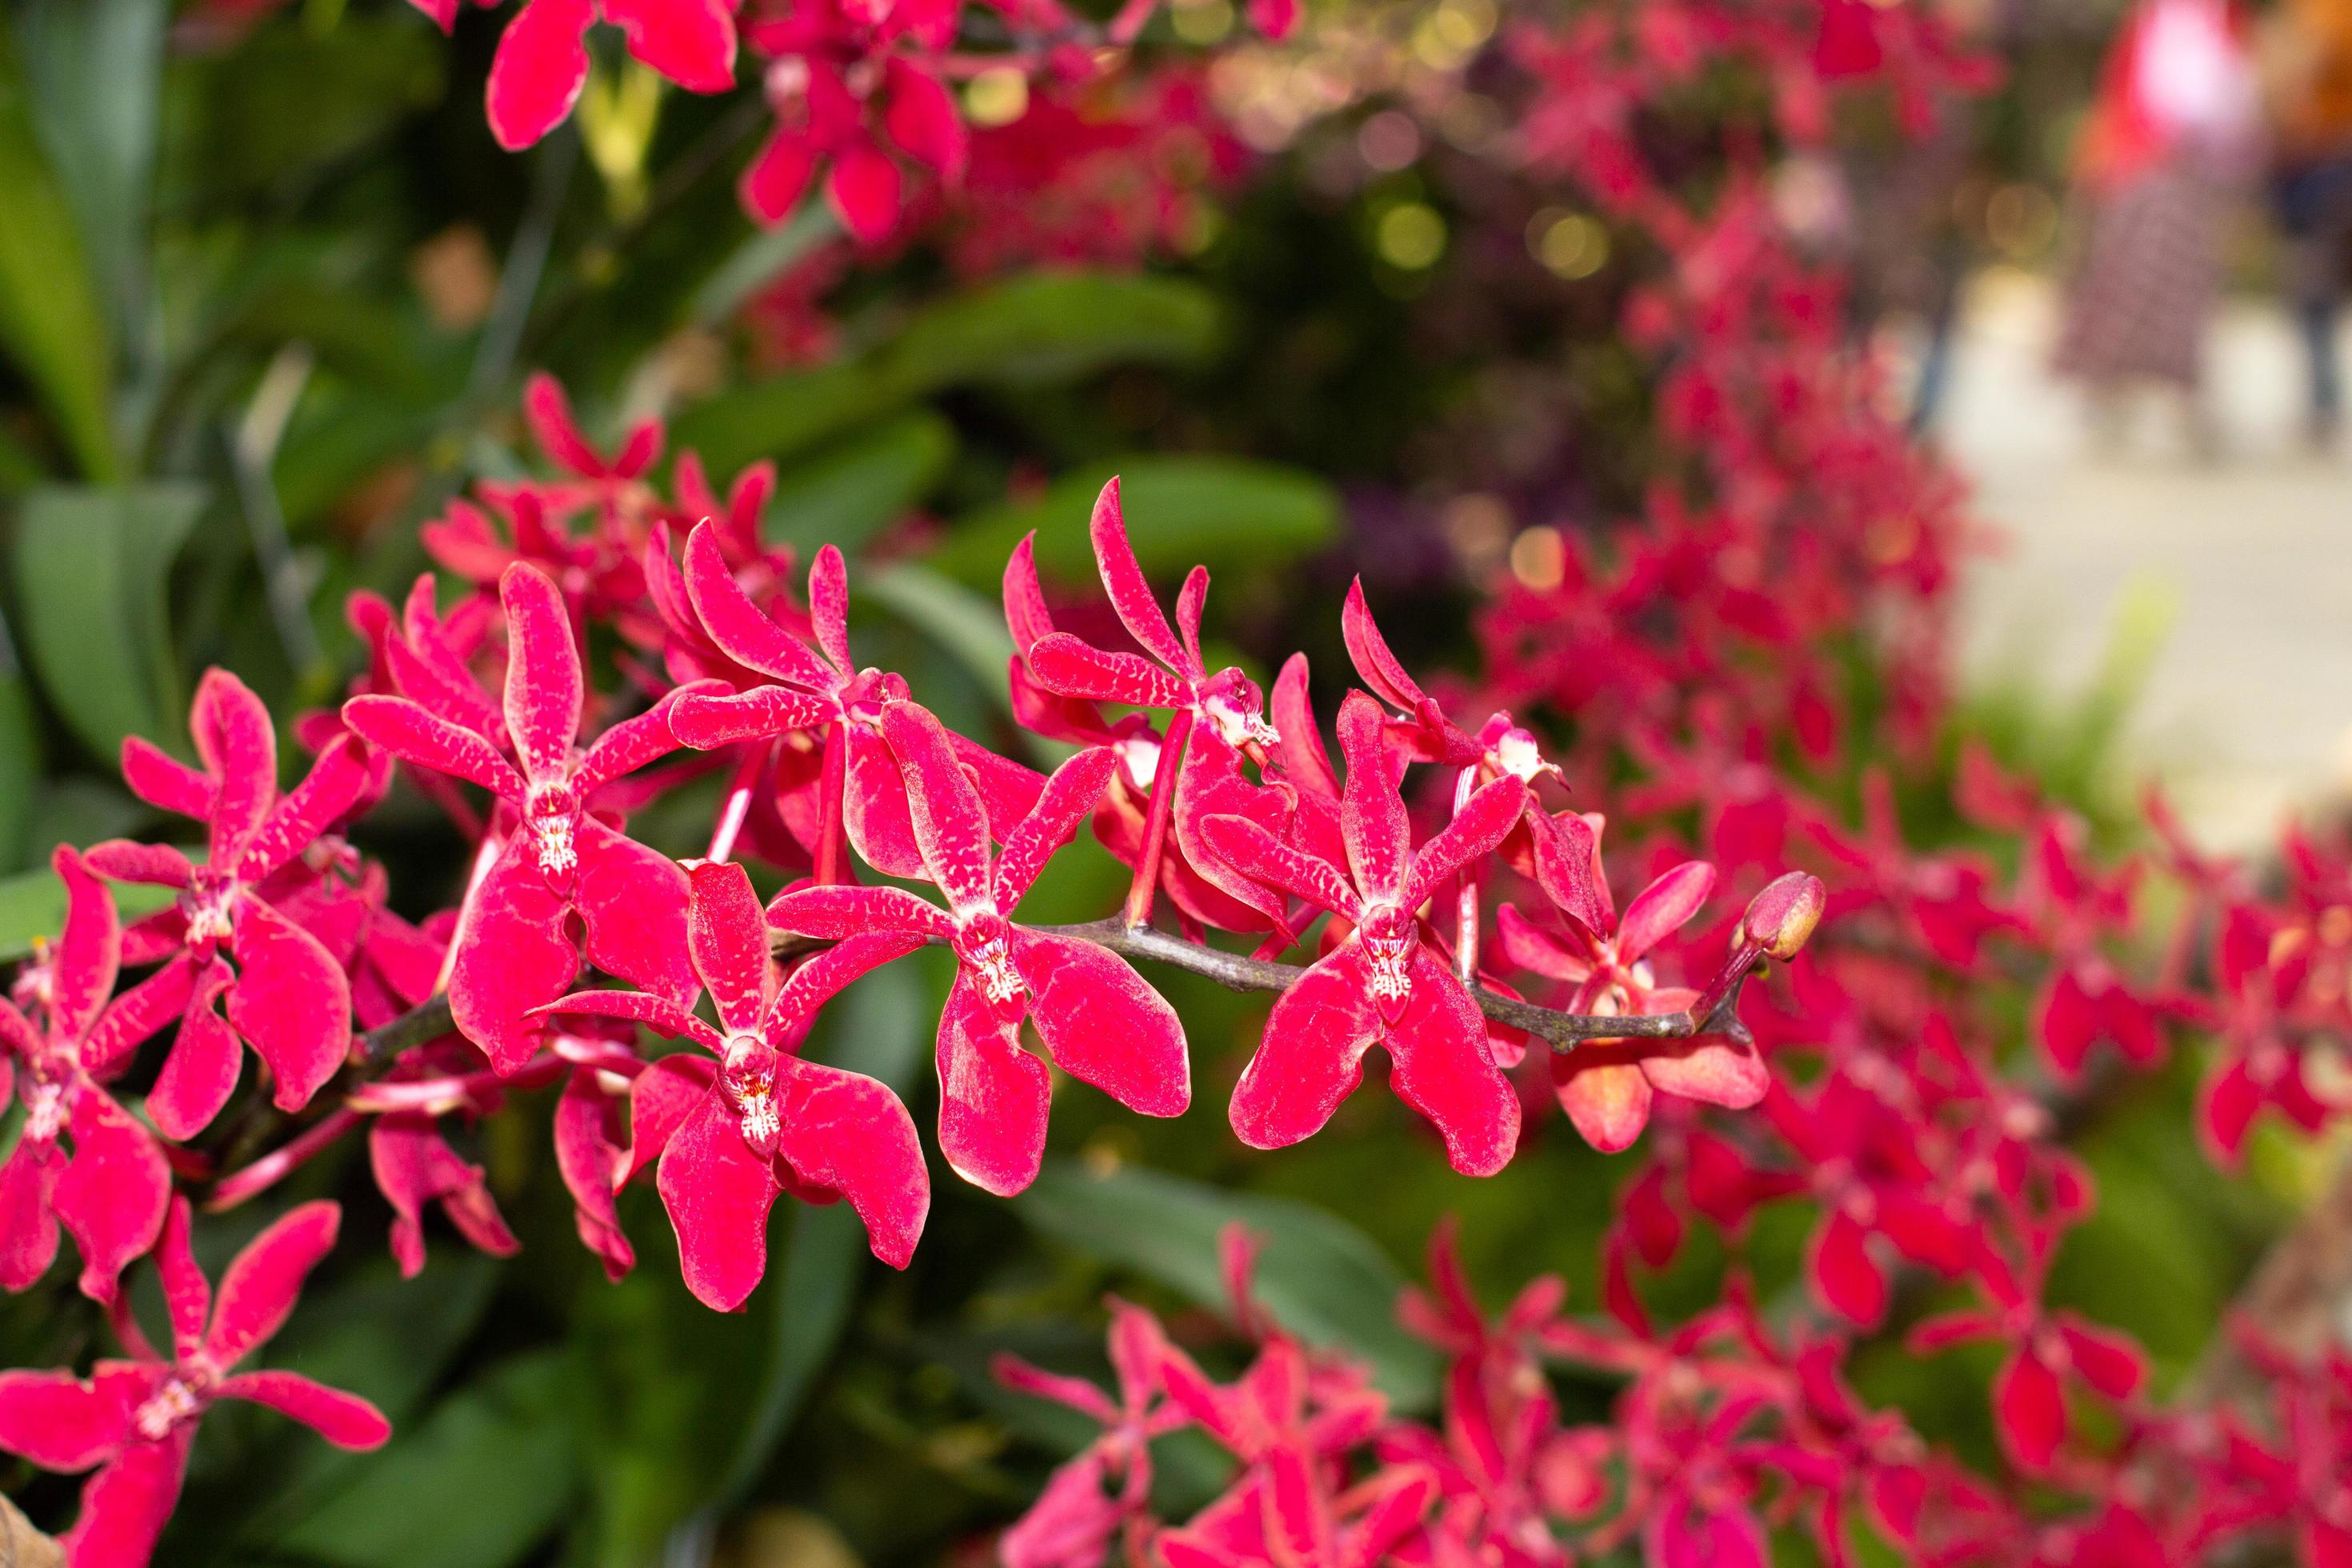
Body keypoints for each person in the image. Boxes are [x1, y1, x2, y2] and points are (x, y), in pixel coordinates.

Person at [2053, 0, 2262, 454]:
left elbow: (2231, 98)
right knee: (2128, 284)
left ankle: (2185, 404)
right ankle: (2112, 400)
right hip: (2144, 166)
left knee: (2185, 292)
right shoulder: (2154, 22)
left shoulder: (2218, 19)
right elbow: (2129, 93)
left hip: (2193, 172)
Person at [2261, 0, 2352, 446]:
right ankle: (2321, 403)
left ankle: (2323, 405)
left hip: (2330, 159)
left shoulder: (2329, 14)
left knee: (2314, 288)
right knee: (2310, 292)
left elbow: (2304, 65)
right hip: (2305, 163)